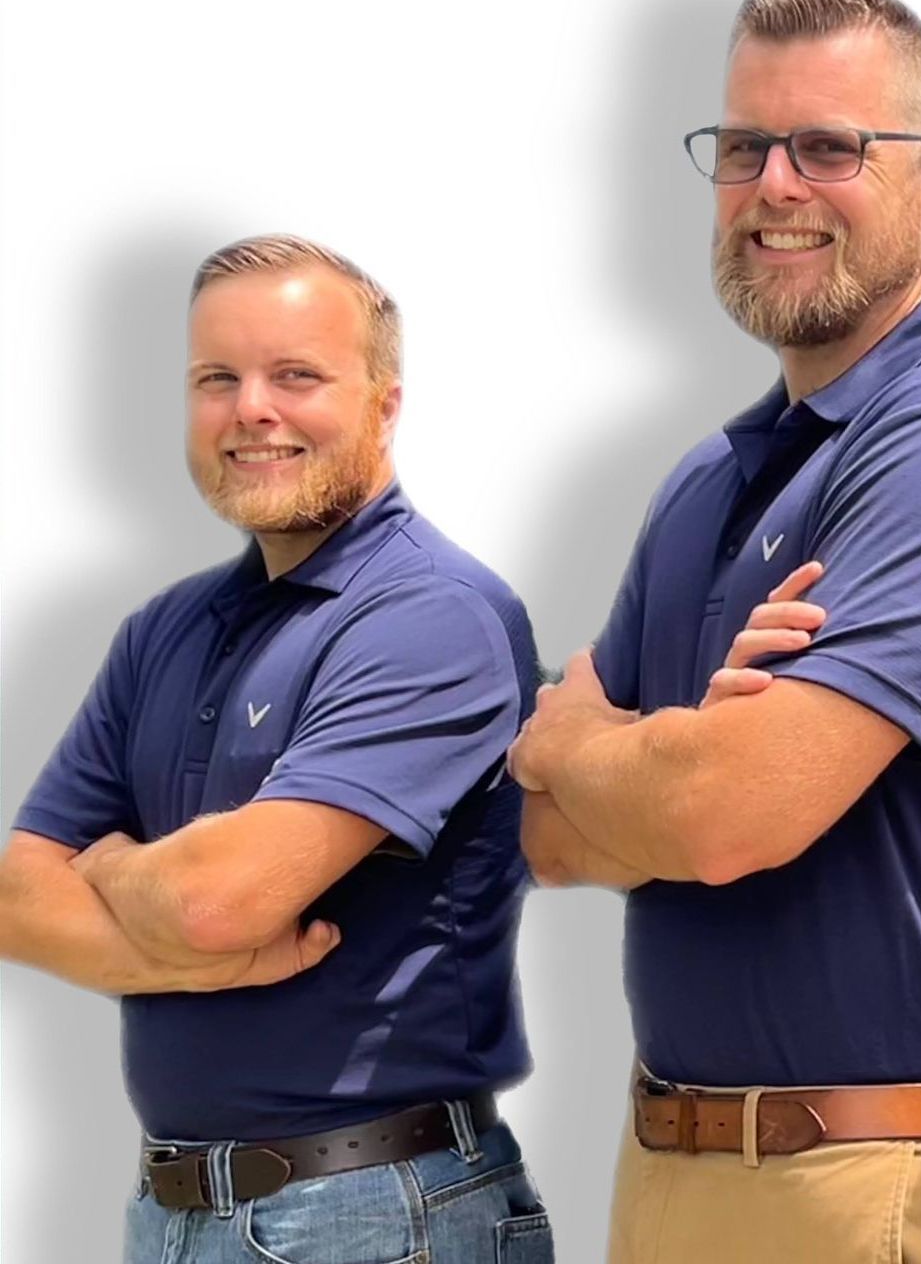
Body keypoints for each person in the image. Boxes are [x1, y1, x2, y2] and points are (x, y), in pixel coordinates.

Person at [505, 0, 921, 1263]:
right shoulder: (708, 481)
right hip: (663, 1167)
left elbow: (719, 814)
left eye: (829, 147)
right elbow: (546, 840)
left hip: (868, 1185)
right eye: (746, 146)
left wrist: (591, 745)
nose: (775, 186)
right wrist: (681, 763)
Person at [0, 235, 552, 1262]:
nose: (252, 408)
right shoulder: (164, 629)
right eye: (220, 378)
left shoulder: (430, 618)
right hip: (172, 1212)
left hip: (377, 1216)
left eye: (296, 375)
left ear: (385, 405)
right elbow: (18, 898)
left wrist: (114, 864)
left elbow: (221, 904)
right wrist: (198, 964)